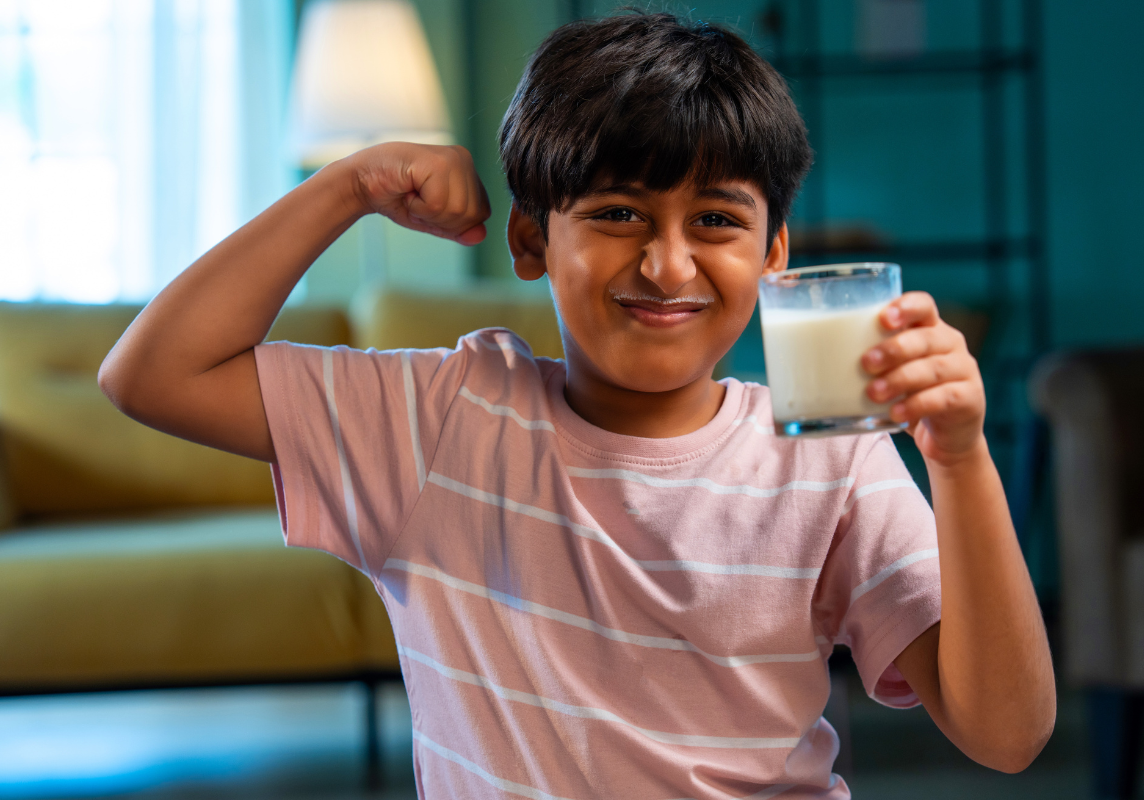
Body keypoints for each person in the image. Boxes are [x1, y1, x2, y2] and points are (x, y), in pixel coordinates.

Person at [99, 12, 1054, 799]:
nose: (666, 264)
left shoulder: (828, 454)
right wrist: (348, 186)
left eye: (716, 221)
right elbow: (149, 375)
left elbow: (1006, 735)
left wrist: (960, 460)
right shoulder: (442, 419)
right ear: (530, 238)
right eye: (617, 213)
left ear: (773, 257)